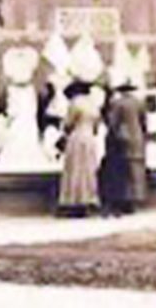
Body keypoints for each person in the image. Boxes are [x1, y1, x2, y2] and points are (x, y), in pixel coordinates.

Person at [100, 82, 149, 215]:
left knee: (123, 171)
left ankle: (124, 200)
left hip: (122, 138)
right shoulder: (139, 103)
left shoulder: (118, 104)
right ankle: (135, 199)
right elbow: (144, 122)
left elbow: (113, 122)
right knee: (135, 168)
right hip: (137, 137)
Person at [57, 82, 103, 217]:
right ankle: (89, 198)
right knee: (88, 170)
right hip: (90, 138)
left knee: (75, 169)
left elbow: (68, 123)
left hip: (77, 137)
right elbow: (97, 124)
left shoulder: (75, 103)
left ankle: (74, 201)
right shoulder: (93, 105)